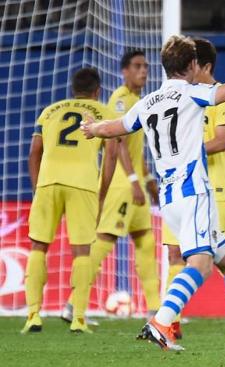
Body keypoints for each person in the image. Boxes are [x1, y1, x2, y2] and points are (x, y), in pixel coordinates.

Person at [80, 35, 225, 351]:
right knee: (200, 264)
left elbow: (117, 127)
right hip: (194, 192)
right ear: (193, 65)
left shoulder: (147, 102)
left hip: (169, 200)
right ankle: (161, 321)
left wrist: (93, 129)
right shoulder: (193, 94)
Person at [161, 38, 225, 340]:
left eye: (193, 66)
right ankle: (171, 322)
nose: (190, 73)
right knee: (175, 255)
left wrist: (185, 152)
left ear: (204, 67)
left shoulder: (224, 98)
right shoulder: (185, 99)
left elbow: (220, 141)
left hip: (214, 191)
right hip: (183, 189)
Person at [61, 50, 161, 323]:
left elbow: (134, 147)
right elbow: (117, 144)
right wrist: (132, 180)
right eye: (138, 67)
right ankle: (72, 304)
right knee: (104, 242)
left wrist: (147, 179)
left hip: (135, 182)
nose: (143, 71)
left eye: (146, 67)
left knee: (145, 243)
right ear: (125, 71)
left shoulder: (137, 100)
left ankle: (156, 310)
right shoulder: (119, 100)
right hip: (121, 184)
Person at [23, 68, 117, 333]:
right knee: (82, 251)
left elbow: (34, 153)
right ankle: (78, 319)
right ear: (97, 91)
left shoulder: (50, 111)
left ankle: (33, 316)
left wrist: (37, 188)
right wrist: (103, 192)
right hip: (83, 184)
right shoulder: (104, 112)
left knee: (38, 246)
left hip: (48, 182)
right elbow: (110, 156)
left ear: (73, 89)